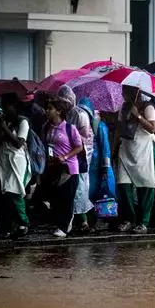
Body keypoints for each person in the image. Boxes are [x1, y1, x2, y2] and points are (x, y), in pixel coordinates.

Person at [115, 86, 155, 234]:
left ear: (135, 93)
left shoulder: (148, 107)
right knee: (123, 185)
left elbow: (152, 128)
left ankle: (143, 222)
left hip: (144, 149)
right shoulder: (123, 108)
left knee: (146, 185)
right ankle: (130, 218)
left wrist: (138, 116)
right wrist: (113, 147)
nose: (123, 95)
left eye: (125, 92)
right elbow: (118, 128)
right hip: (127, 149)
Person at [44, 99, 83, 238]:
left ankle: (64, 227)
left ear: (59, 111)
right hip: (54, 169)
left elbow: (79, 147)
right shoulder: (47, 127)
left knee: (67, 199)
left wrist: (65, 157)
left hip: (69, 169)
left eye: (50, 108)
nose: (47, 111)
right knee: (57, 199)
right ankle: (61, 224)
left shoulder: (69, 128)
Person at [58, 85, 94, 233]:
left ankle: (82, 220)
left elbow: (84, 137)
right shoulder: (65, 114)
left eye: (65, 101)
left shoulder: (80, 114)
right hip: (69, 154)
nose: (63, 104)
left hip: (81, 154)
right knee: (73, 187)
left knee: (80, 188)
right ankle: (79, 220)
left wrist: (69, 139)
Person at [0, 94, 30, 238]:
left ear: (14, 106)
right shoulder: (4, 120)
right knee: (6, 192)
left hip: (17, 160)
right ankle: (12, 225)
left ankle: (24, 222)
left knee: (15, 190)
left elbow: (18, 143)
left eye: (7, 106)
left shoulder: (23, 122)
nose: (5, 109)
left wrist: (6, 128)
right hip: (4, 160)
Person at [79, 98, 115, 203]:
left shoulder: (100, 126)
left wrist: (105, 168)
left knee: (99, 193)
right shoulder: (83, 124)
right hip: (88, 164)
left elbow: (105, 148)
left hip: (98, 165)